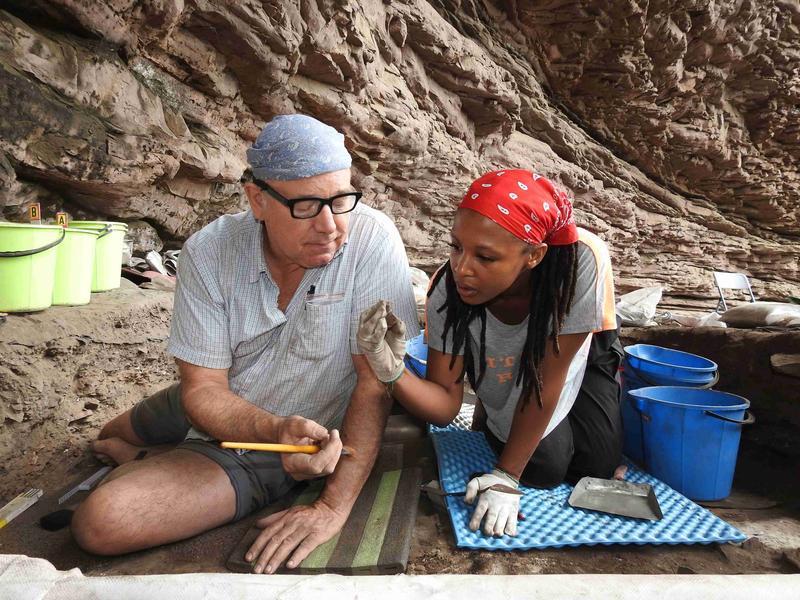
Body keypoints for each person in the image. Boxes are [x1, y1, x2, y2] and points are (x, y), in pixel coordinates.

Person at [71, 114, 419, 574]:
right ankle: (143, 455)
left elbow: (374, 384)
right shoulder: (209, 251)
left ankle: (164, 463)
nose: (330, 225)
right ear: (258, 200)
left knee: (101, 522)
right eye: (307, 206)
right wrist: (266, 424)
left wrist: (331, 508)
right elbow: (202, 389)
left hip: (289, 441)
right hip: (217, 400)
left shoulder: (373, 240)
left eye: (341, 200)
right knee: (106, 435)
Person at [357, 169, 622, 538]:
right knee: (544, 467)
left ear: (534, 255)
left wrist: (505, 477)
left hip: (579, 344)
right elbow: (446, 407)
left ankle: (511, 408)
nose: (462, 268)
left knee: (598, 468)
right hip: (509, 355)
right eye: (456, 247)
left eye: (486, 257)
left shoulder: (577, 266)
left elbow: (548, 376)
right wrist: (391, 370)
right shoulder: (447, 294)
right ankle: (494, 401)